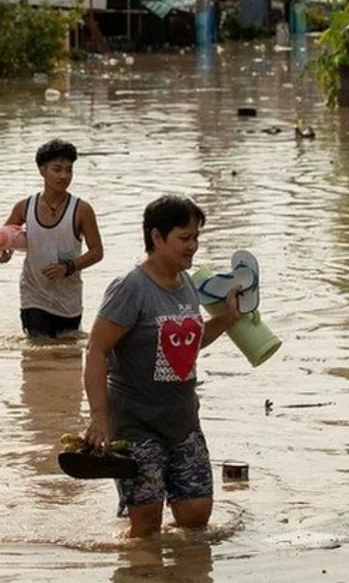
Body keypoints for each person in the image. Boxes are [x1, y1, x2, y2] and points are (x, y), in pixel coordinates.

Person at [82, 195, 242, 538]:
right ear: (157, 237)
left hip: (183, 421)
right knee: (146, 527)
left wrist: (228, 317)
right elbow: (96, 350)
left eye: (196, 237)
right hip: (136, 425)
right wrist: (99, 418)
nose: (193, 246)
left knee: (196, 518)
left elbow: (188, 343)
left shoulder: (187, 284)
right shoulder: (130, 287)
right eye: (184, 238)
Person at [0, 139, 104, 338]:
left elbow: (97, 252)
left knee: (68, 348)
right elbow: (3, 239)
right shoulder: (24, 207)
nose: (64, 176)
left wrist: (68, 267)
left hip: (68, 298)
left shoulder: (82, 210)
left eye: (69, 170)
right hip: (33, 295)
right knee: (38, 346)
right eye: (57, 169)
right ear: (42, 170)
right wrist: (3, 254)